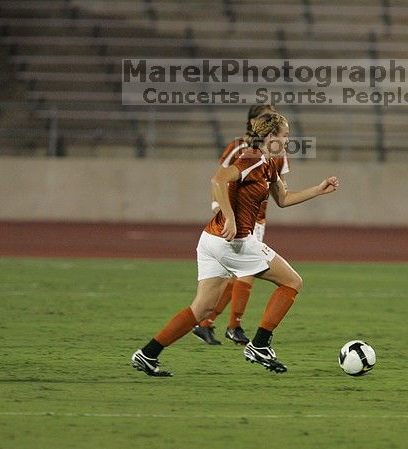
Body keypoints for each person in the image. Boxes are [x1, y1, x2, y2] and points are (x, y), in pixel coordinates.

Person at [131, 113, 339, 375]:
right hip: (233, 242)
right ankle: (260, 345)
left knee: (202, 307)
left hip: (210, 241)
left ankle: (148, 354)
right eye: (285, 135)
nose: (288, 140)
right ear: (271, 136)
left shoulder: (270, 163)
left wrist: (319, 190)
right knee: (292, 282)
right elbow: (218, 180)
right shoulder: (251, 158)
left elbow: (283, 199)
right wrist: (229, 217)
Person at [192, 104, 290, 346]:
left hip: (259, 219)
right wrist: (220, 210)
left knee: (239, 275)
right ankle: (230, 325)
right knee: (244, 273)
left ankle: (210, 323)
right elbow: (219, 179)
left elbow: (279, 187)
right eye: (264, 117)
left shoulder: (277, 151)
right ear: (253, 122)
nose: (268, 120)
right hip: (237, 220)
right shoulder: (238, 148)